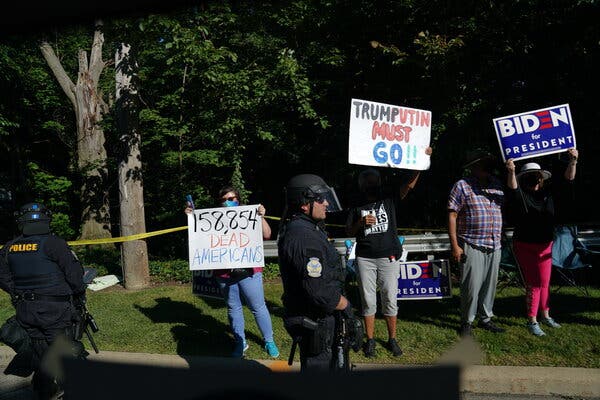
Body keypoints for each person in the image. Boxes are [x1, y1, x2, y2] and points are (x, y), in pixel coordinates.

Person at [345, 147, 432, 358]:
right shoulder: (356, 203)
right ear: (361, 185)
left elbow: (409, 184)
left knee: (390, 299)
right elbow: (348, 231)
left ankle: (392, 339)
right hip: (365, 257)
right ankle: (371, 340)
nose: (370, 184)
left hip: (389, 255)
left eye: (373, 180)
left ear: (379, 182)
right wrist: (360, 222)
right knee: (368, 301)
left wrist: (422, 161)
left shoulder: (389, 198)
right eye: (366, 181)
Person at [0, 202, 87, 400]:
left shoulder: (10, 246)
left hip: (26, 309)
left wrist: (18, 292)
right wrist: (79, 293)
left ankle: (43, 388)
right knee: (61, 348)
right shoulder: (55, 243)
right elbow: (74, 276)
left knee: (40, 348)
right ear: (47, 219)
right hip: (54, 309)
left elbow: (3, 276)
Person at [277, 174, 362, 372]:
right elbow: (318, 290)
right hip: (317, 323)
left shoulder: (310, 229)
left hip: (324, 321)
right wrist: (347, 307)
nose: (325, 203)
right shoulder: (303, 236)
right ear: (304, 204)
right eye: (319, 199)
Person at [185, 186, 279, 358]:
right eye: (225, 199)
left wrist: (261, 217)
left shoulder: (248, 214)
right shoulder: (212, 219)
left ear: (239, 199)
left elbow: (267, 234)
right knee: (233, 308)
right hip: (223, 273)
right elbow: (200, 238)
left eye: (233, 198)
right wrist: (192, 218)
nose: (229, 202)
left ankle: (269, 340)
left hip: (249, 271)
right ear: (219, 202)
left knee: (257, 307)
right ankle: (240, 342)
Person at [505, 148, 578, 336]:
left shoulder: (549, 192)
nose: (535, 179)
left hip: (545, 244)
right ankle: (532, 320)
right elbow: (512, 189)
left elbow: (568, 180)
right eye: (530, 176)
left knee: (545, 282)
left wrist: (573, 161)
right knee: (534, 283)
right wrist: (511, 171)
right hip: (525, 245)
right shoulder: (521, 194)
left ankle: (545, 315)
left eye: (537, 176)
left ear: (541, 178)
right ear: (524, 178)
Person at [448, 149, 506, 336]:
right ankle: (467, 321)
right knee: (471, 286)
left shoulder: (497, 184)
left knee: (490, 285)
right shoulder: (462, 185)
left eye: (489, 164)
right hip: (471, 242)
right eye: (483, 164)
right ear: (473, 167)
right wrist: (455, 245)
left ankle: (485, 318)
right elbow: (452, 214)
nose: (488, 167)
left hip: (494, 243)